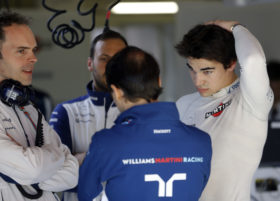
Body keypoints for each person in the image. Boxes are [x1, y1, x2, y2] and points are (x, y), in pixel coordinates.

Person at [77, 46, 212, 201]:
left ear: (117, 91)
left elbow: (85, 195)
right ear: (159, 82)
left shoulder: (105, 142)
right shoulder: (202, 141)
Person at [175, 20, 274, 201]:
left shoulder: (249, 100)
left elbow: (253, 59)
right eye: (192, 70)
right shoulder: (183, 104)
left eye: (207, 71)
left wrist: (235, 27)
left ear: (231, 64)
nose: (198, 81)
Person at [0, 10, 78, 200]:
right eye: (21, 51)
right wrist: (54, 159)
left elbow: (71, 175)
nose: (33, 58)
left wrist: (35, 169)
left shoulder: (26, 106)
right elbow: (34, 169)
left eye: (33, 50)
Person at [49, 30, 127, 201]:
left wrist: (81, 160)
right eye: (104, 58)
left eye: (119, 59)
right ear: (90, 63)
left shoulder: (140, 112)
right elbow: (54, 174)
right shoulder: (66, 112)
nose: (112, 66)